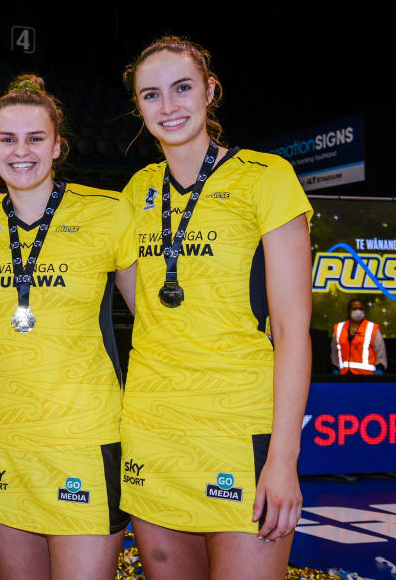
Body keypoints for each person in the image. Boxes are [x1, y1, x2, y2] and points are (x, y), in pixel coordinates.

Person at [116, 36, 311, 580]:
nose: (169, 105)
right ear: (139, 107)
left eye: (182, 88)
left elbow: (295, 334)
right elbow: (144, 307)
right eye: (151, 95)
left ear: (209, 91)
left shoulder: (266, 177)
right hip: (152, 430)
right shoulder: (136, 192)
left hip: (239, 430)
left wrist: (284, 460)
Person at [0, 76, 133, 580]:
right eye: (8, 139)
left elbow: (154, 318)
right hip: (0, 442)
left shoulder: (106, 213)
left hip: (83, 439)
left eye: (36, 138)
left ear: (58, 145)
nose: (22, 151)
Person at [331, 299, 387, 374]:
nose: (358, 311)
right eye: (354, 309)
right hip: (343, 377)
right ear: (349, 311)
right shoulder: (339, 328)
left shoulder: (372, 328)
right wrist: (335, 368)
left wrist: (380, 369)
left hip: (366, 377)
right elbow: (334, 352)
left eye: (361, 309)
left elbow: (381, 353)